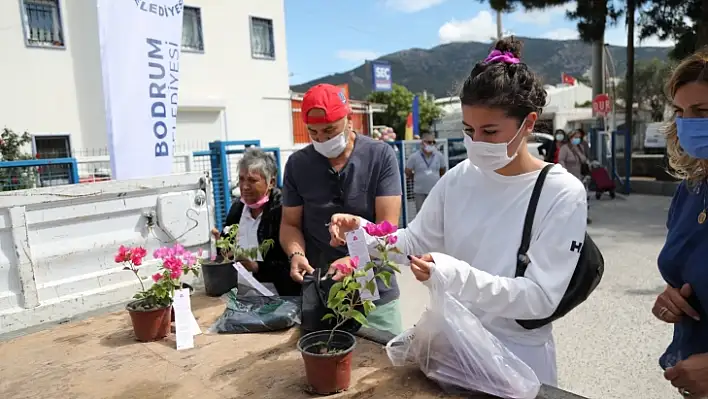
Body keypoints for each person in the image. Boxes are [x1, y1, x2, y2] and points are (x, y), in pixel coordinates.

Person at [328, 37, 587, 386]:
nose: (476, 142)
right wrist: (364, 232)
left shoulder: (560, 193)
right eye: (468, 130)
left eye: (490, 131)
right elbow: (415, 240)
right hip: (453, 349)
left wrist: (456, 275)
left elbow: (539, 299)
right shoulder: (460, 178)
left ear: (528, 123)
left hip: (517, 361)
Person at [279, 83, 404, 334]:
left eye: (329, 130)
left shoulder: (380, 156)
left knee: (382, 366)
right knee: (322, 364)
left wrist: (355, 260)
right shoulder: (297, 165)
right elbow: (290, 224)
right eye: (313, 133)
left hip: (373, 291)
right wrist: (296, 254)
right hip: (322, 292)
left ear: (349, 119)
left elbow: (387, 229)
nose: (322, 139)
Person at [651, 51, 708, 398]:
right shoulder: (690, 192)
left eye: (702, 112)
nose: (687, 123)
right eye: (681, 112)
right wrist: (669, 299)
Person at [210, 148, 301, 296]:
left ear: (271, 182)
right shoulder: (237, 210)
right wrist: (222, 247)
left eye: (252, 180)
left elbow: (292, 261)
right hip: (241, 295)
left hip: (278, 296)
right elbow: (227, 252)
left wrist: (257, 267)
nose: (245, 186)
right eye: (241, 179)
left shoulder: (283, 211)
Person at [405, 131, 446, 211]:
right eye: (429, 142)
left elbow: (442, 170)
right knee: (421, 213)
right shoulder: (414, 157)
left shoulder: (439, 156)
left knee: (435, 213)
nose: (432, 144)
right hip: (419, 192)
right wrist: (416, 178)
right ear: (422, 143)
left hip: (435, 191)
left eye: (433, 142)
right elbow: (407, 171)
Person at [559, 130, 592, 224]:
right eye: (575, 137)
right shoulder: (565, 148)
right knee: (570, 198)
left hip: (580, 176)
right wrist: (565, 173)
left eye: (579, 138)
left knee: (582, 197)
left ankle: (583, 216)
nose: (577, 139)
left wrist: (578, 153)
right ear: (570, 138)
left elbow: (584, 159)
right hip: (569, 176)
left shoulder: (580, 147)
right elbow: (561, 160)